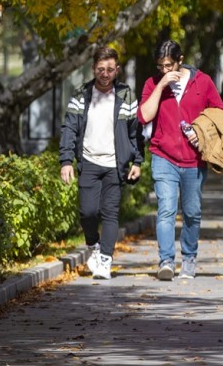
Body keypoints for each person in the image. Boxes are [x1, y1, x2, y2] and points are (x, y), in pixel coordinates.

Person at [138, 39, 223, 281]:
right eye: (160, 66)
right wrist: (161, 86)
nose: (165, 71)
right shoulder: (153, 83)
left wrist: (204, 135)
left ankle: (189, 258)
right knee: (166, 209)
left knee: (192, 212)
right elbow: (144, 116)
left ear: (180, 60)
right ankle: (166, 261)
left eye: (169, 65)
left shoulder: (203, 82)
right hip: (163, 155)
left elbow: (220, 113)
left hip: (193, 160)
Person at [59, 46, 143, 280]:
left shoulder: (126, 95)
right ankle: (94, 246)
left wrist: (137, 161)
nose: (105, 74)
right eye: (100, 69)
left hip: (115, 165)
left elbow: (136, 132)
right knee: (87, 212)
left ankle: (105, 259)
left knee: (110, 213)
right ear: (93, 69)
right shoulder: (82, 94)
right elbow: (69, 128)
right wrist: (66, 160)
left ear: (117, 70)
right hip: (89, 162)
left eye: (109, 69)